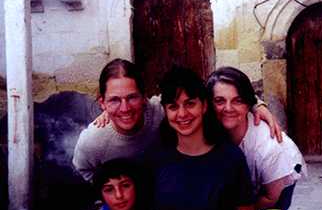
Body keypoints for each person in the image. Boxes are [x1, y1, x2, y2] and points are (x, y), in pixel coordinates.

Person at [72, 58, 282, 183]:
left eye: (132, 97)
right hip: (122, 199)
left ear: (144, 97)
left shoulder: (162, 110)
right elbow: (83, 169)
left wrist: (256, 104)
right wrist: (110, 188)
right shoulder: (93, 139)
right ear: (102, 102)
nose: (125, 108)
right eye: (114, 100)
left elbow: (205, 96)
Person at [146, 66, 255, 210]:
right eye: (173, 107)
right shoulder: (155, 159)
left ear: (204, 106)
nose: (182, 114)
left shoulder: (230, 157)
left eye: (190, 104)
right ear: (165, 111)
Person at [206, 66, 307, 210]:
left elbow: (270, 198)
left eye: (237, 100)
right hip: (249, 168)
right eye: (219, 101)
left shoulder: (272, 147)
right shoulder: (210, 126)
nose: (228, 108)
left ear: (248, 104)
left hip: (280, 172)